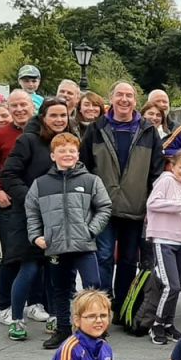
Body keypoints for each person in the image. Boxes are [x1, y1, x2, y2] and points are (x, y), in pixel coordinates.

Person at [80, 80, 164, 315]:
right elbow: (84, 166)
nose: (124, 100)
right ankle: (103, 304)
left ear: (135, 100)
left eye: (129, 95)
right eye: (120, 95)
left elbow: (156, 171)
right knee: (104, 256)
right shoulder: (96, 128)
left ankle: (122, 305)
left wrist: (151, 203)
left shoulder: (148, 131)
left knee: (128, 259)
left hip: (135, 206)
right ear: (111, 98)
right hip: (103, 206)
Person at [24, 132, 112, 348]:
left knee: (93, 286)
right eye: (62, 151)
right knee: (60, 289)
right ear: (53, 155)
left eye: (71, 150)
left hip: (84, 245)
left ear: (78, 154)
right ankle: (63, 329)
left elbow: (104, 207)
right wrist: (36, 236)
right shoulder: (40, 184)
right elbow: (32, 212)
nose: (67, 154)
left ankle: (93, 330)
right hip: (55, 246)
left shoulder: (91, 180)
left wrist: (90, 231)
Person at [1, 99, 72, 342]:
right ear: (43, 117)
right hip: (31, 217)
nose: (60, 120)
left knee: (55, 269)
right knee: (29, 268)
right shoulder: (28, 140)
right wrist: (32, 198)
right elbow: (9, 174)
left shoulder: (69, 141)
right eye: (54, 115)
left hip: (59, 218)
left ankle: (55, 315)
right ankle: (17, 319)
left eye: (64, 115)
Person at [0, 90, 36, 328]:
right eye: (14, 105)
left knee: (38, 256)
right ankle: (5, 305)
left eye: (23, 104)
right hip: (9, 204)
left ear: (32, 106)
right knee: (12, 256)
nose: (19, 109)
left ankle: (36, 303)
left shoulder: (42, 132)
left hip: (36, 202)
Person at [145, 151, 181, 345]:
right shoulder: (166, 180)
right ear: (172, 166)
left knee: (175, 285)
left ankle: (168, 323)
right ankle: (157, 324)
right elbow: (152, 203)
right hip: (163, 237)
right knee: (172, 285)